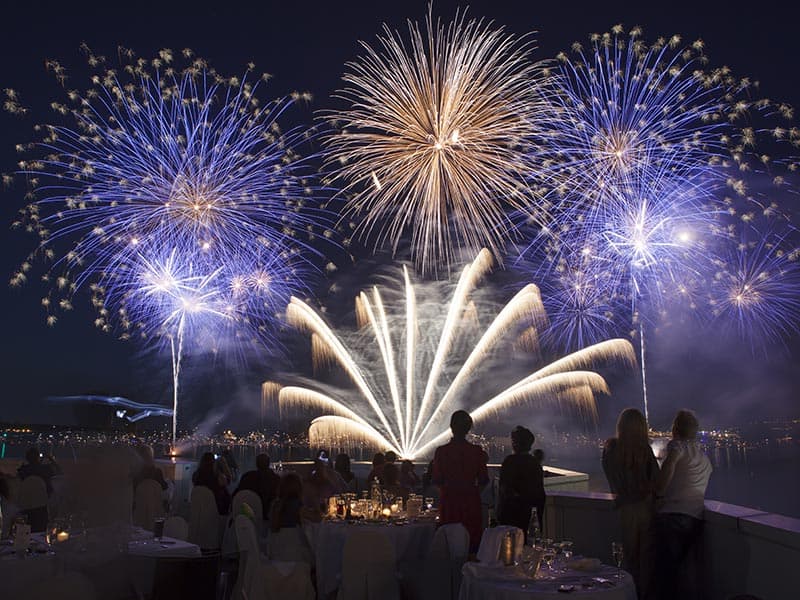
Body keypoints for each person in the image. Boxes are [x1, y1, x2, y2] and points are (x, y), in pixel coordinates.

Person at [653, 409, 712, 600]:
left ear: (675, 429)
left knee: (667, 573)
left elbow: (663, 482)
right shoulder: (704, 458)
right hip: (695, 518)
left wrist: (658, 491)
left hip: (672, 516)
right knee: (688, 572)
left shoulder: (677, 447)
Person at [602, 408, 659, 600]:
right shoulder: (645, 451)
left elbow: (611, 479)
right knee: (646, 561)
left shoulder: (611, 449)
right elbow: (656, 480)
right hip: (646, 509)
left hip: (624, 509)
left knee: (627, 559)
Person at [432, 410, 489, 554]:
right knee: (471, 546)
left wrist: (448, 492)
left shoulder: (441, 452)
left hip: (449, 504)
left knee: (448, 546)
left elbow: (437, 480)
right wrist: (471, 491)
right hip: (471, 503)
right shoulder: (477, 452)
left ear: (451, 426)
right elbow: (483, 480)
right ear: (468, 429)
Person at [497, 426, 546, 541]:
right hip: (529, 516)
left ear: (516, 443)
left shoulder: (509, 462)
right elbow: (539, 492)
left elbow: (504, 489)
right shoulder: (535, 464)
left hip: (511, 516)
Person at [268, 473, 318, 565]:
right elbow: (316, 519)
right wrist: (316, 503)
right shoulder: (297, 505)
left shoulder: (276, 504)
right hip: (295, 553)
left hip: (276, 552)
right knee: (317, 550)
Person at [235, 454, 280, 519]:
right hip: (270, 517)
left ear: (256, 464)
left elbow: (238, 494)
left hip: (249, 516)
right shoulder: (276, 479)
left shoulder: (247, 478)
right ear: (268, 463)